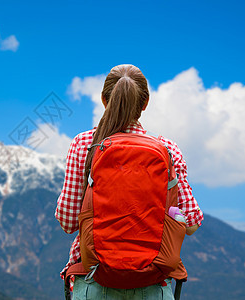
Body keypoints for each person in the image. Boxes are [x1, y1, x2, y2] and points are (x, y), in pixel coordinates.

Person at [55, 64, 204, 299]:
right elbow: (192, 223)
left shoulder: (84, 144)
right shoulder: (167, 149)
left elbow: (67, 221)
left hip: (94, 278)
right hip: (153, 280)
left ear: (105, 100)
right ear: (144, 104)